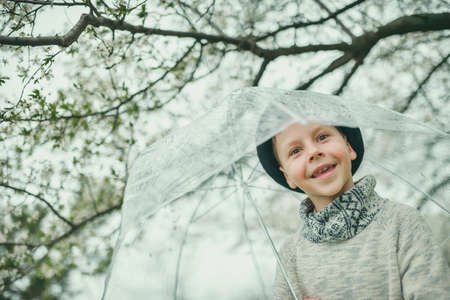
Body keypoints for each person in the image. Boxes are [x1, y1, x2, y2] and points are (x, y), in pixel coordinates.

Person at [256, 120, 450, 299]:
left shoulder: (402, 223)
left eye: (322, 137)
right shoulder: (290, 255)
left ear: (349, 147)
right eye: (295, 151)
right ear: (287, 176)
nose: (314, 151)